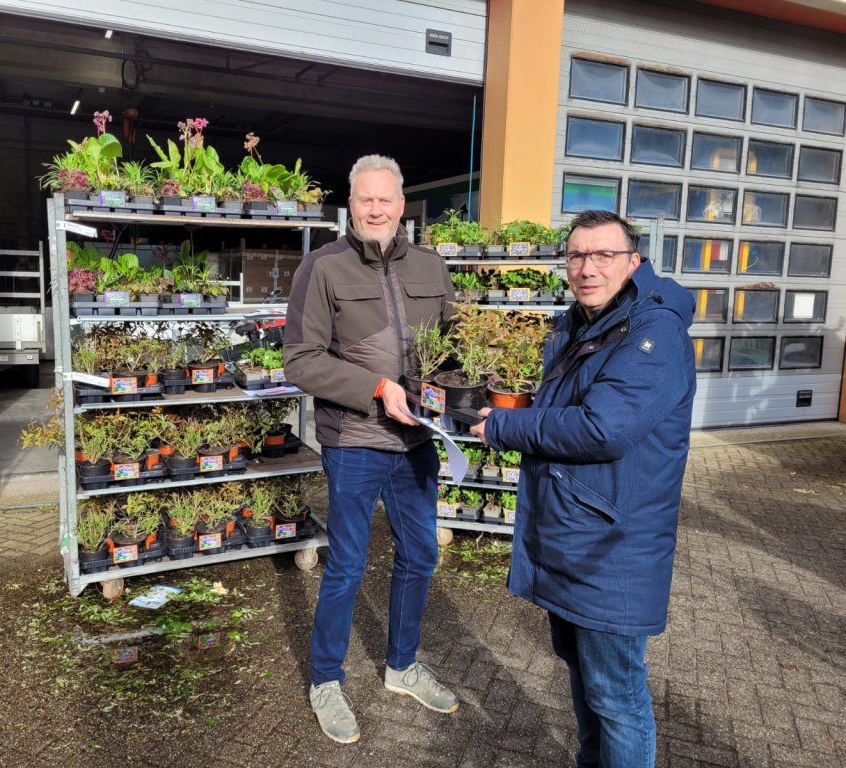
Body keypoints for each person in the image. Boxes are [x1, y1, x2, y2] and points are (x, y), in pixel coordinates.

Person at [470, 209, 696, 768]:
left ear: (633, 262)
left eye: (603, 255)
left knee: (617, 695)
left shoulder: (653, 333)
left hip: (613, 543)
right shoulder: (581, 322)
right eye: (576, 256)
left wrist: (502, 425)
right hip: (576, 532)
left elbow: (603, 428)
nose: (587, 267)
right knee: (585, 677)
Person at [284, 154, 459, 744]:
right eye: (365, 199)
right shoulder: (322, 267)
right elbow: (301, 360)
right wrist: (376, 389)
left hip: (418, 440)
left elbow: (455, 353)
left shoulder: (433, 266)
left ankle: (402, 666)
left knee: (420, 555)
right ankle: (326, 680)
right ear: (351, 204)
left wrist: (471, 395)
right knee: (350, 565)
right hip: (355, 438)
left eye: (385, 198)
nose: (376, 208)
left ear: (401, 203)